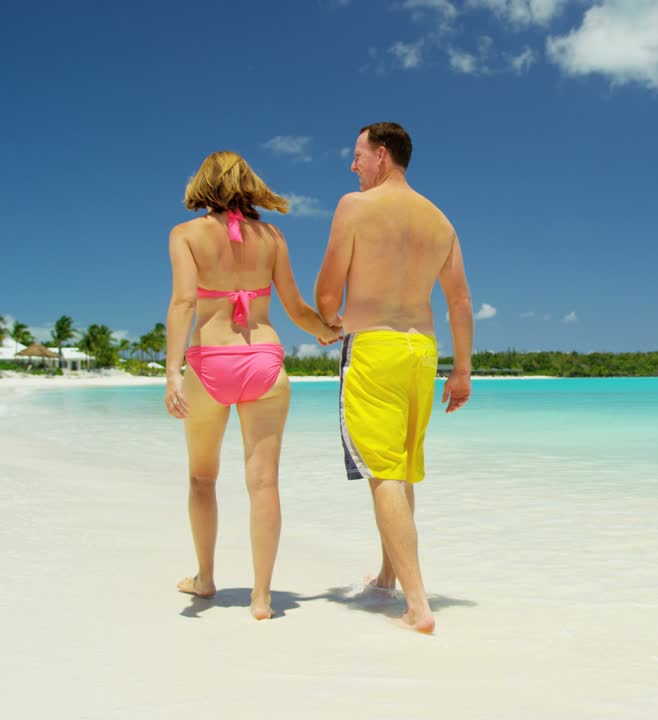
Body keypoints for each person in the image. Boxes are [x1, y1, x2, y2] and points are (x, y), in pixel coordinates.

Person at [165, 151, 341, 620]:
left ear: (202, 183)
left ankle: (205, 579)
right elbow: (296, 307)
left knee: (202, 477)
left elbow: (183, 302)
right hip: (265, 360)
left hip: (208, 363)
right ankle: (261, 598)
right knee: (264, 483)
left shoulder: (185, 236)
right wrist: (326, 329)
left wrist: (170, 373)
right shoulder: (273, 237)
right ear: (248, 184)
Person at [315, 122, 473, 634]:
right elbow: (459, 302)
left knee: (382, 473)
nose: (352, 166)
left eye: (357, 155)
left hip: (375, 347)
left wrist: (329, 321)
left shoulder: (354, 207)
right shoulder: (441, 221)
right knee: (399, 467)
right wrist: (462, 370)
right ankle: (386, 576)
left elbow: (326, 292)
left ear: (381, 155)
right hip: (421, 353)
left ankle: (417, 603)